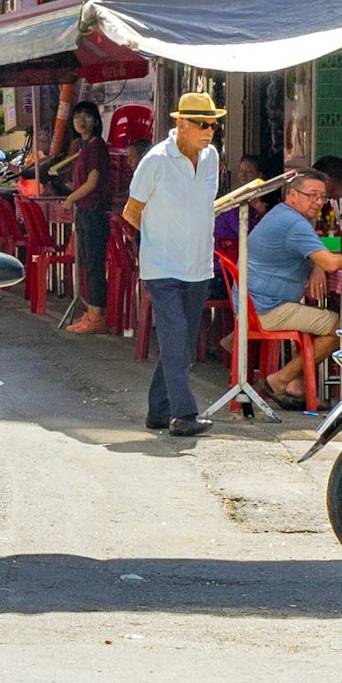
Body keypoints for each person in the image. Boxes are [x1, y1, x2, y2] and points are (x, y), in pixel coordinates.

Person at [124, 88, 227, 435]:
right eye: (202, 124)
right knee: (177, 339)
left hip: (199, 265)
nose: (209, 131)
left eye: (213, 124)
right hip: (163, 267)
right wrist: (156, 241)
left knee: (179, 341)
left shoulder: (211, 156)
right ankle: (183, 415)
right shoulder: (155, 160)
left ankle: (158, 410)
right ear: (181, 124)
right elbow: (131, 212)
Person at [239, 169, 342, 407]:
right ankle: (280, 380)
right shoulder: (294, 223)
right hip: (267, 308)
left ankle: (297, 386)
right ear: (292, 195)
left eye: (322, 196)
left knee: (317, 321)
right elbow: (331, 261)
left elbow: (318, 255)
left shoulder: (282, 214)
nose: (318, 202)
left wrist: (315, 265)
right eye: (311, 195)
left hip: (255, 301)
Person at [51, 98, 114, 335]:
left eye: (87, 116)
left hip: (94, 212)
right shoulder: (84, 147)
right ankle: (91, 311)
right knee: (87, 262)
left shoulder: (97, 147)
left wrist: (71, 198)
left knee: (95, 264)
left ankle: (98, 315)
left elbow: (93, 182)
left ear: (96, 121)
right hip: (85, 212)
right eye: (78, 116)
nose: (81, 120)